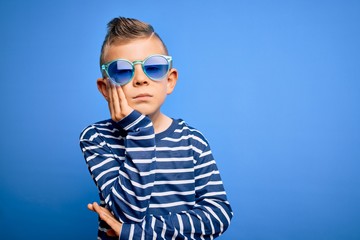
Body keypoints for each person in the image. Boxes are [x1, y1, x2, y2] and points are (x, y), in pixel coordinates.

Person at [79, 16, 233, 240]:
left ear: (169, 80)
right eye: (122, 71)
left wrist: (136, 233)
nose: (140, 79)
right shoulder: (97, 138)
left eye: (153, 67)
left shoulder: (192, 141)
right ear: (105, 89)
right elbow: (126, 215)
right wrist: (139, 131)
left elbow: (218, 215)